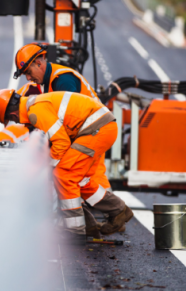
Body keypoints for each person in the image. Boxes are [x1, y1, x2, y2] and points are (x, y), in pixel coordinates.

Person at [0, 89, 133, 243]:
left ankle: (75, 231)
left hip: (97, 129)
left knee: (64, 175)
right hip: (100, 127)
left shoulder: (35, 112)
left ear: (12, 115)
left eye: (13, 120)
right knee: (78, 179)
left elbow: (61, 142)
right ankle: (118, 211)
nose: (16, 122)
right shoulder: (34, 105)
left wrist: (49, 166)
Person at [14, 43, 117, 236]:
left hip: (91, 132)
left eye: (28, 72)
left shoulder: (62, 80)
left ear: (39, 62)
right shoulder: (49, 81)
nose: (28, 78)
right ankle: (103, 218)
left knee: (77, 175)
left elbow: (73, 116)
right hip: (89, 132)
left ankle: (108, 217)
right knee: (78, 176)